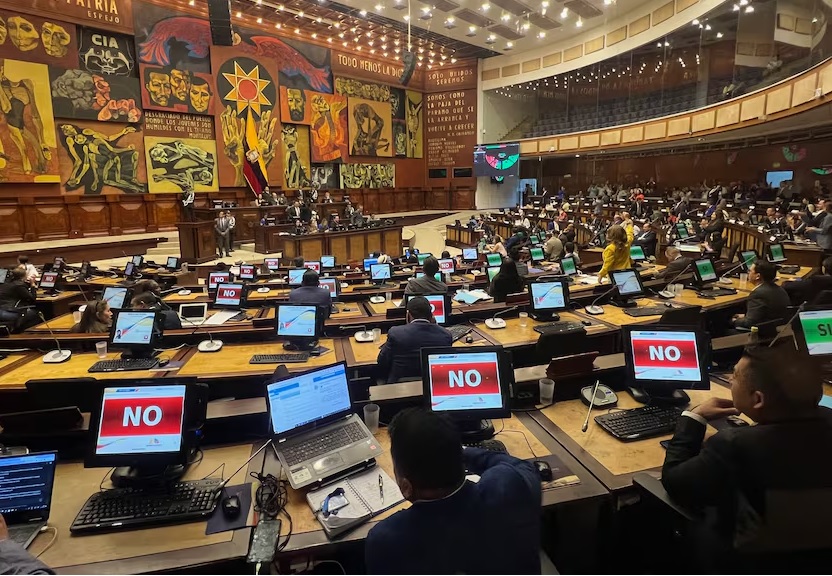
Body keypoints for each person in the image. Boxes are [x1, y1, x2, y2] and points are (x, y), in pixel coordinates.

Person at [661, 341, 832, 548]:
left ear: (757, 399)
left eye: (734, 377)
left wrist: (693, 417)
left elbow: (675, 482)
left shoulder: (734, 445)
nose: (730, 380)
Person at [366, 408, 541, 574]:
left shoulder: (386, 540)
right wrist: (457, 452)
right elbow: (522, 466)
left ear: (406, 488)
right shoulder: (510, 486)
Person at [376, 297, 452, 383]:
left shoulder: (395, 333)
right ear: (431, 315)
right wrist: (437, 326)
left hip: (398, 386)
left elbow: (382, 362)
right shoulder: (445, 335)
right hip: (432, 384)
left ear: (408, 314)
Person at [731, 260, 789, 330]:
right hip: (778, 329)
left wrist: (734, 321)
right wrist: (745, 316)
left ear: (757, 276)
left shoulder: (758, 294)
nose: (748, 273)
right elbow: (764, 313)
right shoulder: (780, 289)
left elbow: (749, 323)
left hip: (762, 334)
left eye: (749, 271)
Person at [0, 266, 38, 332]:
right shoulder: (19, 286)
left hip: (2, 310)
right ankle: (19, 332)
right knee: (36, 314)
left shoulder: (6, 284)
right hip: (8, 312)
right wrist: (33, 285)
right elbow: (32, 299)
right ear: (23, 276)